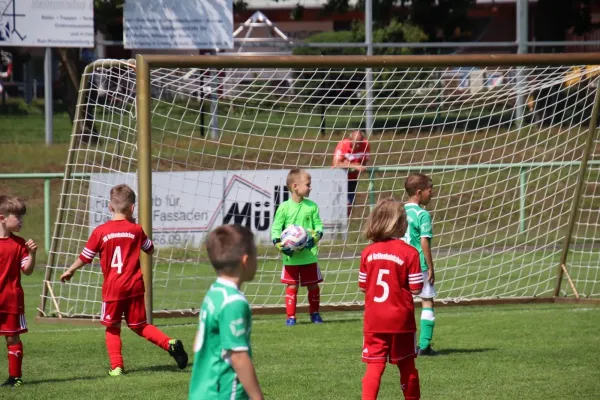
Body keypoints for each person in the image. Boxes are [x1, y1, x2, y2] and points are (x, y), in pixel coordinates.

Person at [60, 184, 188, 375]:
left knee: (112, 327)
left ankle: (117, 367)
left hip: (113, 289)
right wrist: (135, 229)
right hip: (135, 287)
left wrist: (70, 270)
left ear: (110, 207)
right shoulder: (136, 230)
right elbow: (150, 249)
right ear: (132, 208)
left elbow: (85, 257)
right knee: (141, 326)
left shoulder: (100, 231)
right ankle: (169, 344)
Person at [188, 224, 264, 400]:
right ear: (246, 261)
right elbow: (238, 357)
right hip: (223, 392)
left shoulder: (214, 293)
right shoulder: (233, 302)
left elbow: (198, 343)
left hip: (202, 390)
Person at [359, 198, 423, 400]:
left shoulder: (367, 252)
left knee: (375, 366)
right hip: (401, 321)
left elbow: (363, 286)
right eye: (404, 219)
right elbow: (416, 288)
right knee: (407, 365)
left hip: (374, 319)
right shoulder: (410, 253)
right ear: (397, 223)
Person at [271, 168, 324, 326]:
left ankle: (314, 314)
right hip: (291, 257)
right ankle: (291, 317)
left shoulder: (312, 207)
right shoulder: (284, 208)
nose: (310, 187)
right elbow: (276, 229)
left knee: (313, 285)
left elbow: (319, 227)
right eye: (308, 184)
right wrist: (279, 245)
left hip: (309, 255)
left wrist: (314, 238)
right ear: (295, 186)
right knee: (292, 285)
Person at [0, 196, 36, 387]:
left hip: (11, 300)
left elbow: (27, 270)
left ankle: (15, 377)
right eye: (17, 216)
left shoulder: (20, 244)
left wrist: (32, 254)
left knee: (12, 337)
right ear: (2, 218)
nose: (21, 220)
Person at [403, 173, 436, 356]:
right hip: (418, 264)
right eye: (429, 191)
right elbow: (424, 242)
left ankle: (406, 344)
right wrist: (431, 267)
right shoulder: (422, 214)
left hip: (400, 264)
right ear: (419, 192)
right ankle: (423, 345)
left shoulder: (399, 211)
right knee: (426, 300)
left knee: (404, 304)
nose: (431, 195)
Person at [332, 130, 371, 217]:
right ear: (350, 140)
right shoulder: (343, 145)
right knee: (336, 205)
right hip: (337, 178)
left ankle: (342, 225)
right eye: (355, 143)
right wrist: (353, 165)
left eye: (359, 143)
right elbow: (336, 164)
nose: (357, 146)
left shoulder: (366, 145)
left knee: (349, 206)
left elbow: (364, 162)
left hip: (352, 179)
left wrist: (356, 165)